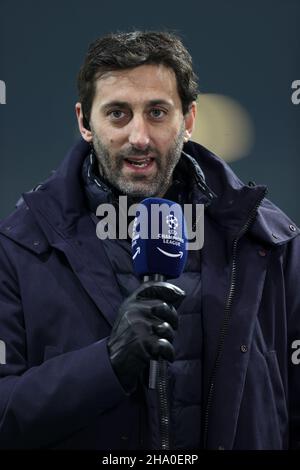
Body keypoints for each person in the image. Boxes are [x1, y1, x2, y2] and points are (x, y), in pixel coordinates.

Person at [0, 30, 299, 451]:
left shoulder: (267, 240)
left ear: (189, 120)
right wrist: (106, 365)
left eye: (157, 113)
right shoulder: (19, 245)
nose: (139, 137)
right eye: (118, 114)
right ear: (85, 123)